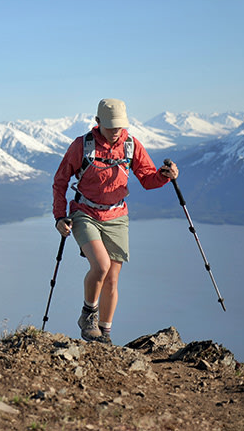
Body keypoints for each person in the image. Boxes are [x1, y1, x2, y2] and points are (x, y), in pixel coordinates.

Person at [52, 98, 179, 344]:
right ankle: (88, 315)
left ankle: (105, 333)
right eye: (110, 127)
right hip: (85, 212)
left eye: (119, 127)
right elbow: (60, 182)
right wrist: (59, 216)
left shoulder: (131, 145)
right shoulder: (82, 146)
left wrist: (166, 176)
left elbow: (148, 179)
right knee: (100, 266)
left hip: (117, 216)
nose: (115, 132)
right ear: (98, 122)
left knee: (112, 278)